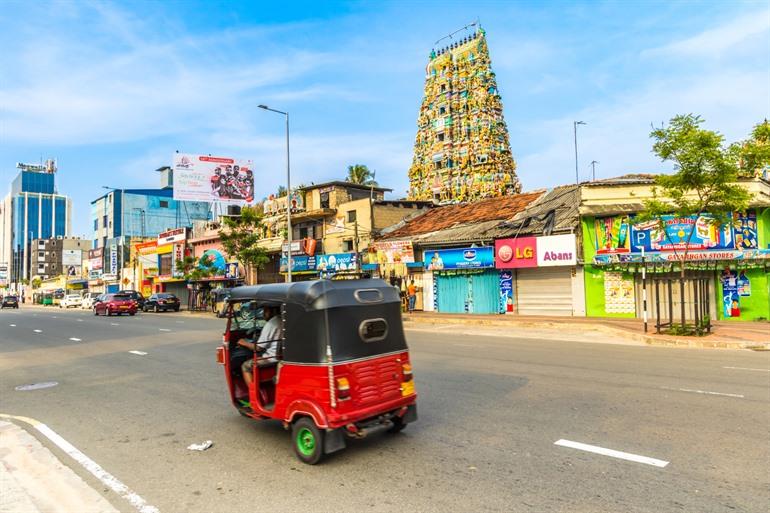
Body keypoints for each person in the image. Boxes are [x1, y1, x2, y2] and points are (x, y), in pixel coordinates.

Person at [238, 305, 282, 388]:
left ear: (272, 311)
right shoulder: (284, 320)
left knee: (245, 366)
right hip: (281, 358)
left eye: (265, 310)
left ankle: (253, 392)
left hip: (271, 359)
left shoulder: (272, 323)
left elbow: (258, 348)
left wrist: (244, 343)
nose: (263, 314)